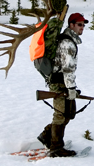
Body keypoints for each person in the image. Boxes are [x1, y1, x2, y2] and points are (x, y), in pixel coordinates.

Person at [37, 12, 88, 157]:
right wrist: (71, 88)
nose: (82, 27)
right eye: (79, 24)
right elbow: (68, 68)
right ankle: (56, 147)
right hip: (60, 83)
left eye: (83, 25)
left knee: (68, 113)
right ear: (71, 25)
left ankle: (47, 135)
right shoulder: (67, 43)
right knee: (61, 114)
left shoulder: (68, 40)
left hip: (62, 82)